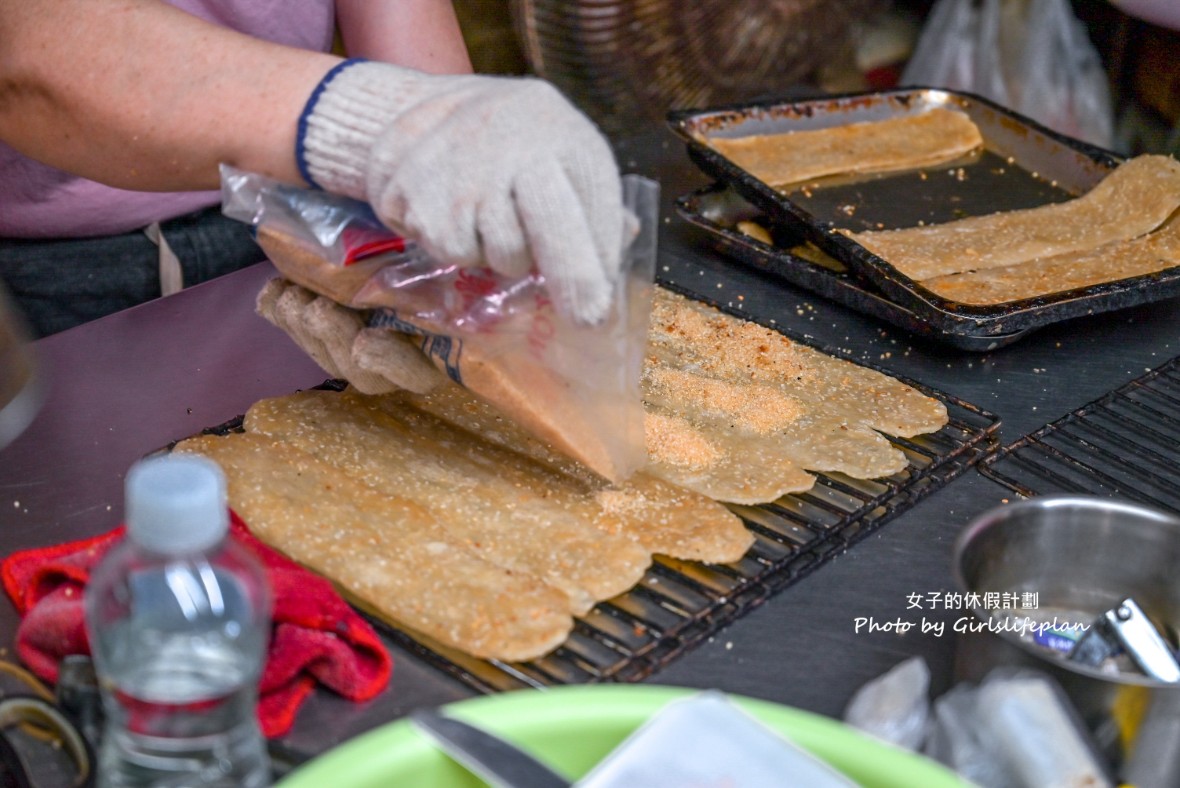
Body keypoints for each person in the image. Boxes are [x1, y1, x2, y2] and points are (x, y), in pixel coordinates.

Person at [0, 0, 630, 338]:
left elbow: (409, 48)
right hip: (39, 275)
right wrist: (381, 124)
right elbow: (24, 50)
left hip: (285, 222)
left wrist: (458, 178)